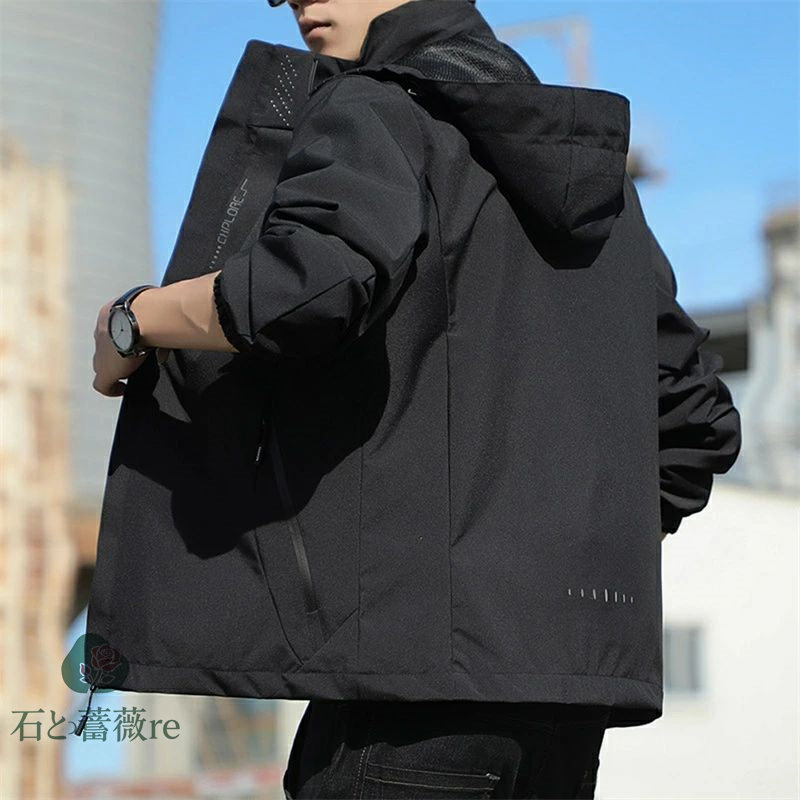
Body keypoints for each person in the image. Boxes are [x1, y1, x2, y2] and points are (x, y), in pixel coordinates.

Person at [91, 0, 742, 797]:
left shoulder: (377, 108)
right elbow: (694, 418)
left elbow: (307, 289)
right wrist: (548, 561)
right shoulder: (595, 179)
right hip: (565, 701)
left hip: (406, 692)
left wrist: (135, 318)